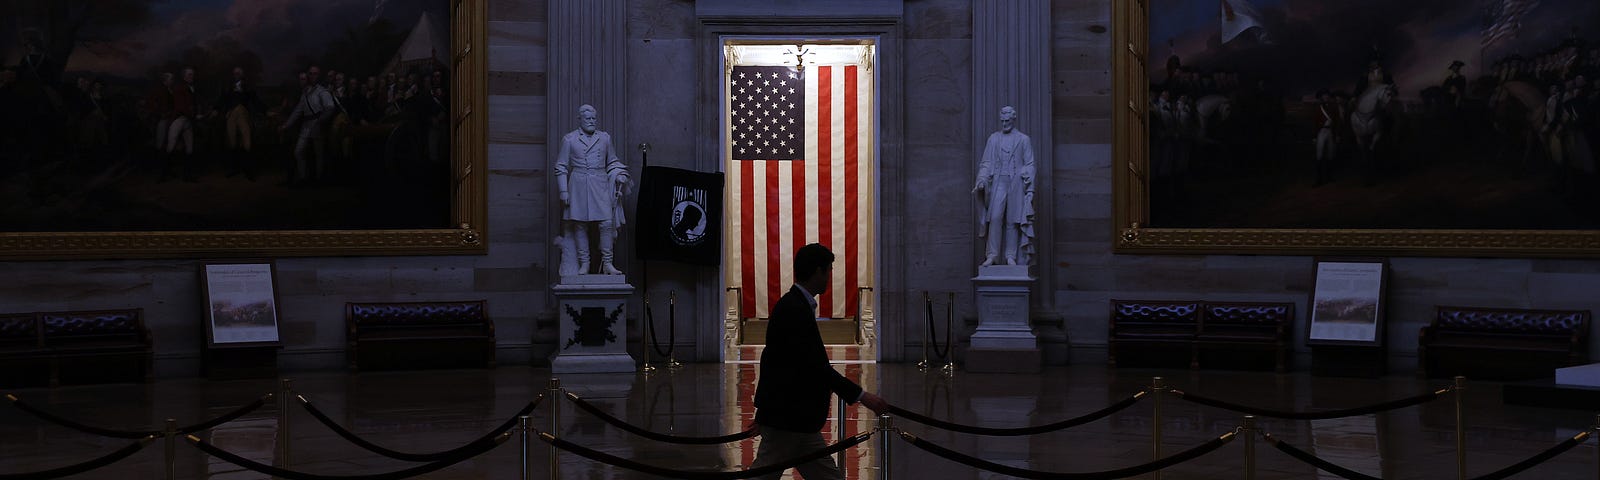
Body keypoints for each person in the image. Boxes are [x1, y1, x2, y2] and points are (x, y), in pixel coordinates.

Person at [750, 243, 889, 480]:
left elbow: (774, 362)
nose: (829, 277)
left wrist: (763, 414)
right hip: (789, 421)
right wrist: (863, 396)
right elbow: (814, 368)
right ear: (817, 271)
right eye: (828, 270)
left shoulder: (795, 305)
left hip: (798, 421)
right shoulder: (793, 309)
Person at [555, 104, 629, 275]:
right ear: (579, 119)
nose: (591, 121)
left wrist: (619, 174)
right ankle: (584, 264)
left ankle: (608, 264)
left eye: (594, 118)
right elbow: (560, 166)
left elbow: (612, 161)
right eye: (588, 118)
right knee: (580, 225)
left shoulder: (605, 138)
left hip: (600, 184)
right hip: (578, 185)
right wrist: (563, 191)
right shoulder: (569, 139)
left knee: (606, 223)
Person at [972, 105, 1036, 267]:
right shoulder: (993, 139)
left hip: (1016, 183)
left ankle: (1010, 256)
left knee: (1012, 221)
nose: (1005, 123)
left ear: (1013, 119)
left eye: (1007, 120)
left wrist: (1029, 184)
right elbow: (986, 162)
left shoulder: (1023, 139)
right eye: (1002, 121)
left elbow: (1030, 164)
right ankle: (992, 255)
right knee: (994, 218)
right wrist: (981, 179)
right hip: (999, 181)